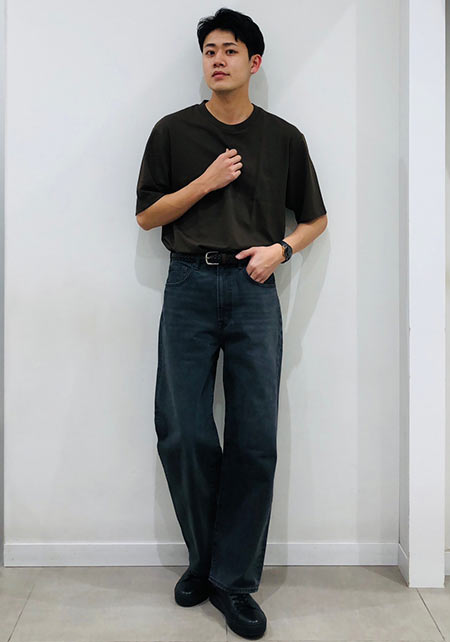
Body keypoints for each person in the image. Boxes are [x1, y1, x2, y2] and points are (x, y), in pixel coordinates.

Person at [135, 7, 327, 640]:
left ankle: (233, 582)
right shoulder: (173, 131)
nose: (217, 60)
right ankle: (207, 562)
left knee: (253, 437)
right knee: (183, 432)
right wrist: (206, 181)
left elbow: (316, 217)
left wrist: (282, 250)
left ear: (254, 62)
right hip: (189, 284)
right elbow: (147, 215)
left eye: (230, 50)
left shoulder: (283, 138)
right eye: (210, 50)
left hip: (253, 289)